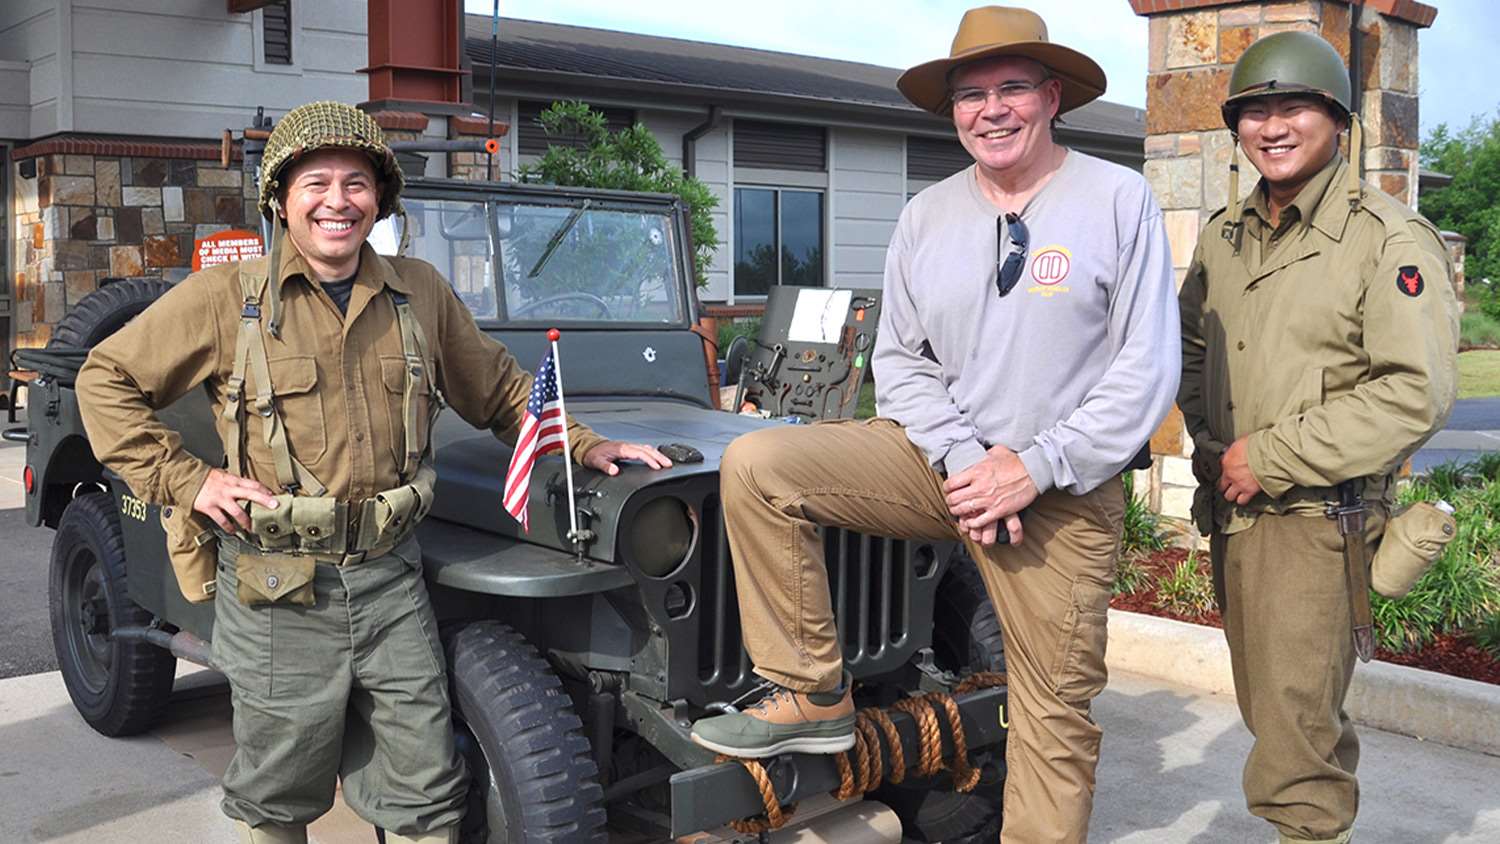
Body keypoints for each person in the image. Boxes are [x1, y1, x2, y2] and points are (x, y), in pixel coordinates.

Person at [75, 101, 670, 844]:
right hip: (277, 588)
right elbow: (104, 380)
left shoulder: (417, 292)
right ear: (282, 199)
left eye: (356, 183)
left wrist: (582, 444)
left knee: (427, 795)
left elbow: (502, 390)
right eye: (315, 182)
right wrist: (189, 481)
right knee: (276, 798)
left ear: (379, 199)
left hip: (390, 582)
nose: (337, 201)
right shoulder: (228, 299)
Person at [688, 6, 1180, 840]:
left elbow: (1145, 367)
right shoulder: (927, 216)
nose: (991, 109)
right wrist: (962, 457)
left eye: (1012, 88)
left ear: (1052, 96)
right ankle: (813, 688)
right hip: (942, 464)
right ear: (953, 111)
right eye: (971, 94)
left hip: (1061, 490)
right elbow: (902, 363)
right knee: (763, 465)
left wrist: (1034, 465)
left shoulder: (1116, 198)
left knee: (1053, 717)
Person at [1178, 31, 1459, 844]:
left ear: (1337, 121)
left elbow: (1417, 390)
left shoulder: (1387, 238)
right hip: (1236, 515)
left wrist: (1267, 455)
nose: (1272, 126)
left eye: (1293, 106)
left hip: (1317, 523)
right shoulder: (1226, 237)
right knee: (1278, 717)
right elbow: (1196, 348)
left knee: (1297, 753)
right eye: (1254, 110)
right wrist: (1210, 444)